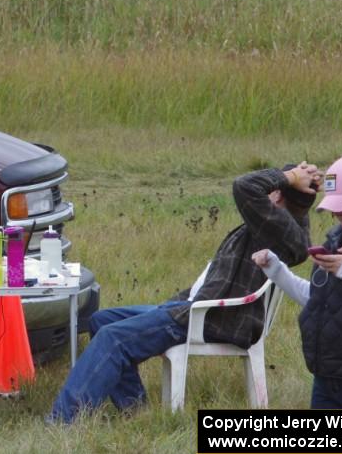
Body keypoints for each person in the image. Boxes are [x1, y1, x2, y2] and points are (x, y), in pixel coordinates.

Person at [48, 163, 319, 423]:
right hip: (194, 307)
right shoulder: (277, 226)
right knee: (103, 320)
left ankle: (64, 419)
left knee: (112, 337)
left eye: (277, 185)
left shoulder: (279, 228)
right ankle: (134, 410)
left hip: (211, 318)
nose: (269, 190)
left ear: (279, 193)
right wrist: (296, 186)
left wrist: (291, 176)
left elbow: (244, 186)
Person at [253, 155, 342, 408]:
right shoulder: (336, 240)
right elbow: (317, 297)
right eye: (334, 206)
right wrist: (277, 271)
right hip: (325, 381)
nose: (337, 213)